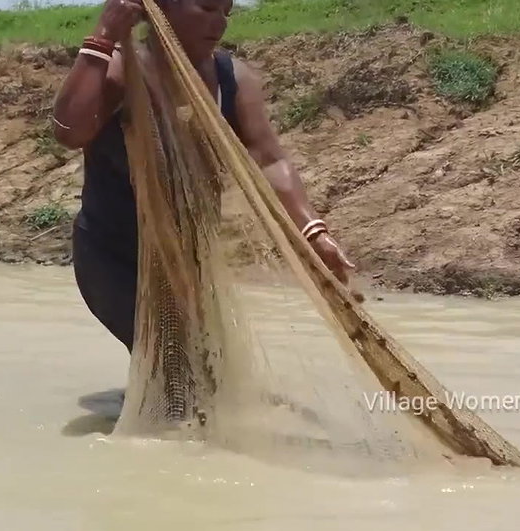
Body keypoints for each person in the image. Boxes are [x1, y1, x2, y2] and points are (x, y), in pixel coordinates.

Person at [52, 0, 359, 352]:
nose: (219, 23)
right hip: (114, 257)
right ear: (162, 8)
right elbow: (69, 132)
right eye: (207, 7)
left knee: (204, 367)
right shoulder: (123, 70)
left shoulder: (231, 79)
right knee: (171, 357)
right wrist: (105, 34)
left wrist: (313, 232)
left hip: (187, 260)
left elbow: (270, 160)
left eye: (226, 13)